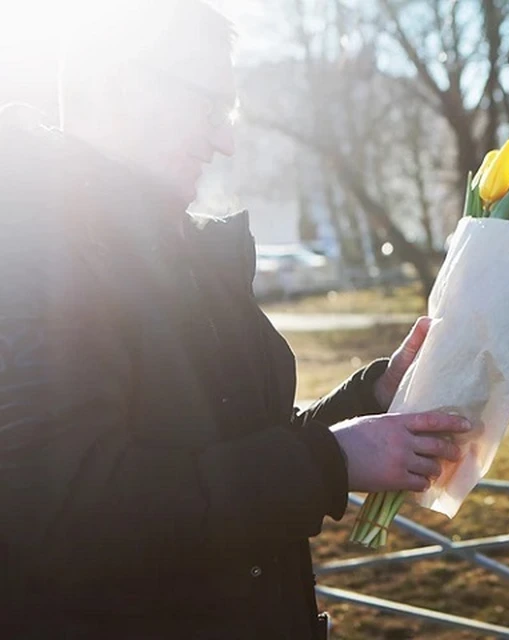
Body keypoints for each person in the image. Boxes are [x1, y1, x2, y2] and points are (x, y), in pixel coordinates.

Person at [0, 2, 468, 638]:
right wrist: (327, 461)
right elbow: (70, 513)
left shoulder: (177, 246)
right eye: (207, 105)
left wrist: (371, 398)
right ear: (120, 85)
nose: (224, 140)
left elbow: (233, 447)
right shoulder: (34, 249)